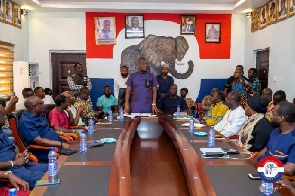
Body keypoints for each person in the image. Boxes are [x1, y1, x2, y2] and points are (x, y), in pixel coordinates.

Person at [0, 104, 47, 189]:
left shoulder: (0, 130)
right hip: (11, 170)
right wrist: (15, 163)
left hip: (20, 164)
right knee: (54, 178)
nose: (6, 117)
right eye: (3, 115)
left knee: (57, 168)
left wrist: (19, 154)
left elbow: (13, 146)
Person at [18, 96, 70, 162]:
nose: (44, 105)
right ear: (34, 107)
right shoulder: (26, 121)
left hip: (59, 144)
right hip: (48, 151)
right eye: (41, 103)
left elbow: (47, 130)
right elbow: (39, 140)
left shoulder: (39, 114)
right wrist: (61, 144)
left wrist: (62, 133)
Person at [256, 102, 295, 176]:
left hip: (273, 177)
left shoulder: (293, 139)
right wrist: (253, 164)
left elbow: (289, 169)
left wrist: (264, 169)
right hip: (259, 171)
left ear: (281, 118)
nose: (271, 116)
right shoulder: (275, 131)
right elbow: (265, 150)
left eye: (273, 114)